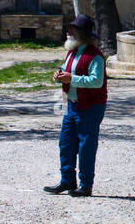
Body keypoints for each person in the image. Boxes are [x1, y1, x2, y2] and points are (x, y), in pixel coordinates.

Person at [44, 15, 108, 197]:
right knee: (66, 144)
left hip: (90, 106)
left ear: (81, 34)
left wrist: (72, 78)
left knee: (86, 147)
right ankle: (67, 181)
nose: (68, 32)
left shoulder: (95, 56)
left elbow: (96, 81)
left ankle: (86, 185)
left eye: (72, 30)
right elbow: (67, 71)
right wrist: (59, 75)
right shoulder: (72, 52)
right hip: (72, 105)